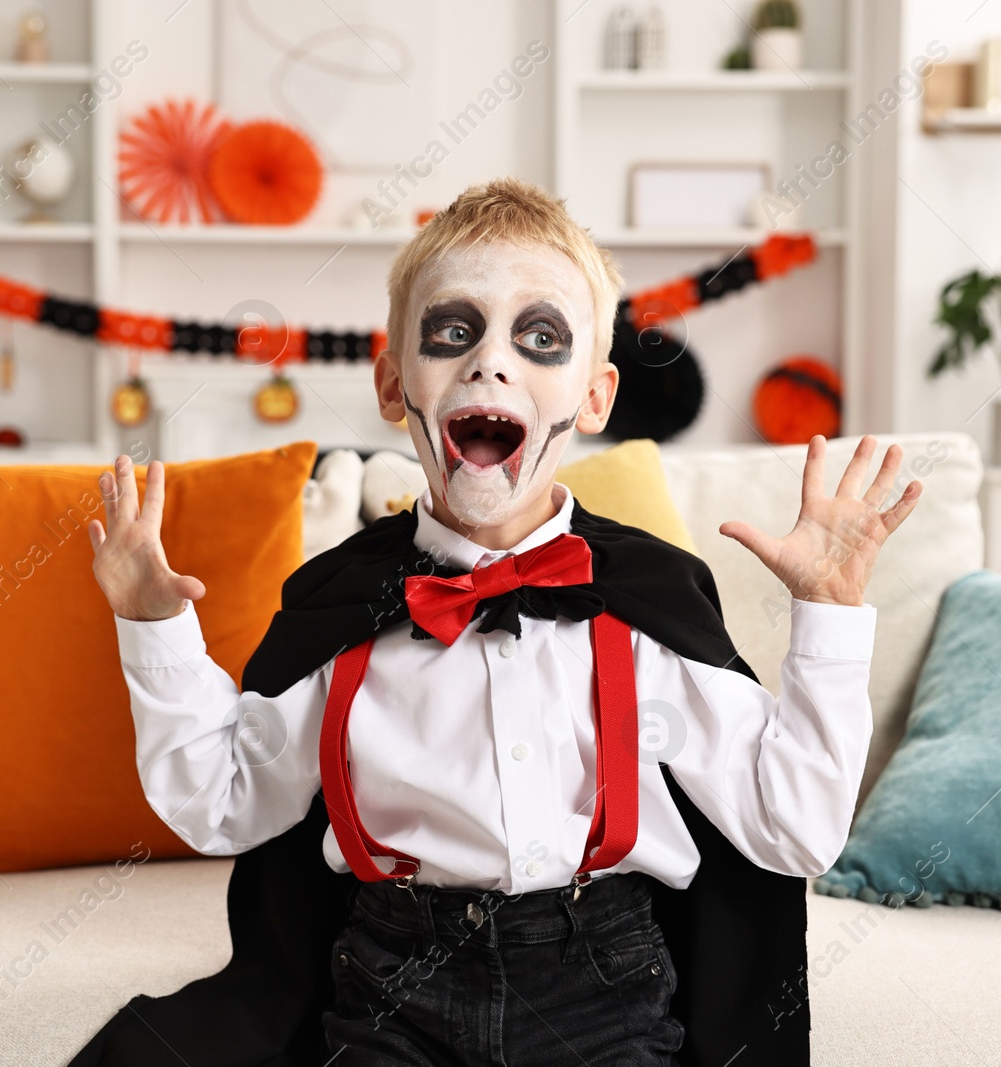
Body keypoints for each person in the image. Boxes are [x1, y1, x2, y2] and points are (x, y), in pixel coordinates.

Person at [76, 177, 922, 1066]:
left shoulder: (647, 594)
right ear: (394, 382)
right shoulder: (342, 600)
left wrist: (828, 613)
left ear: (594, 398)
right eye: (453, 331)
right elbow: (223, 803)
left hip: (606, 982)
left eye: (541, 337)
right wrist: (153, 625)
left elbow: (797, 827)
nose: (491, 362)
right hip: (391, 979)